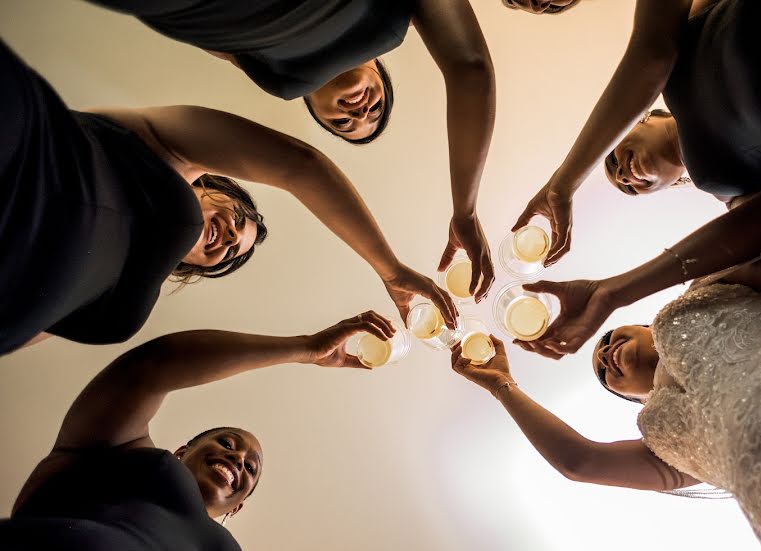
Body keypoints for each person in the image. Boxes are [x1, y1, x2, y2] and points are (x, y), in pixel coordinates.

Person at [452, 208, 761, 551]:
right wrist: (502, 386)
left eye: (608, 339)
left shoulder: (706, 292)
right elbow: (579, 462)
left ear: (648, 325)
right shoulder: (663, 441)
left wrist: (613, 291)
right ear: (635, 398)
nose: (606, 355)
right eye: (606, 375)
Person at [1, 39, 455, 354]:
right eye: (238, 219)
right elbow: (301, 166)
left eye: (228, 254)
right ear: (211, 186)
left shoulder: (124, 292)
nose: (228, 238)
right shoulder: (169, 150)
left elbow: (35, 327)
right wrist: (390, 270)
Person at [87, 0, 496, 300]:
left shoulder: (271, 71)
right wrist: (466, 211)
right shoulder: (394, 16)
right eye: (375, 109)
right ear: (381, 73)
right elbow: (469, 66)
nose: (358, 113)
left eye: (343, 124)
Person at [0, 310, 394, 551]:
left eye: (250, 468)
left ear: (236, 509)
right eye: (226, 443)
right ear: (182, 451)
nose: (238, 459)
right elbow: (153, 367)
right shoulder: (125, 454)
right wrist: (304, 349)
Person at [509, 0, 761, 274]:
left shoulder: (682, 41)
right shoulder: (726, 192)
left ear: (640, 119)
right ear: (666, 186)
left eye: (611, 159)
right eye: (628, 187)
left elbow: (650, 53)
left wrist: (562, 184)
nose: (624, 175)